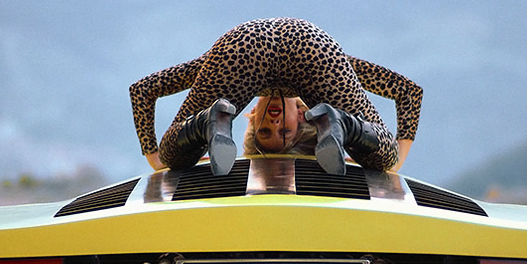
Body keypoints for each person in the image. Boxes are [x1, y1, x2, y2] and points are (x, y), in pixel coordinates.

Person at [129, 17, 422, 175]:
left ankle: (209, 120)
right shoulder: (329, 66)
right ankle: (343, 123)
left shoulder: (224, 64)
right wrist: (395, 163)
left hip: (246, 44)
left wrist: (155, 159)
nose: (274, 123)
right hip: (309, 44)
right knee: (383, 158)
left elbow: (143, 90)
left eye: (265, 131)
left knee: (174, 158)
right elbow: (408, 92)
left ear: (252, 116)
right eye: (284, 131)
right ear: (304, 115)